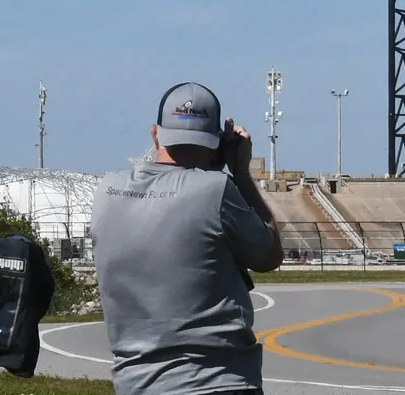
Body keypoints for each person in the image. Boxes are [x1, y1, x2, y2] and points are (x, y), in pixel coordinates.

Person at [92, 81, 284, 395]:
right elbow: (269, 255)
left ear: (155, 133)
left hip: (135, 382)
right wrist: (241, 173)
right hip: (218, 382)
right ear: (217, 141)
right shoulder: (216, 189)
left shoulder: (107, 190)